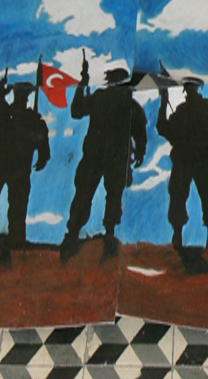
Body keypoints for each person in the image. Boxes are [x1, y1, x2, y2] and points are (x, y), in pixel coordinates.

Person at [59, 60, 147, 262]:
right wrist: (140, 151)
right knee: (105, 195)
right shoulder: (126, 102)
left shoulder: (103, 98)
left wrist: (83, 85)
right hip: (107, 156)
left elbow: (77, 110)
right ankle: (101, 236)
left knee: (91, 194)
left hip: (101, 156)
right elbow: (140, 131)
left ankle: (80, 236)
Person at [0, 80, 50, 261]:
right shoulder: (8, 115)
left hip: (14, 168)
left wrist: (41, 155)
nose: (21, 98)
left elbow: (43, 146)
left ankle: (10, 242)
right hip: (4, 166)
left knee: (14, 207)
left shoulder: (19, 117)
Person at [156, 78, 208, 251]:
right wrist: (164, 100)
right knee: (179, 196)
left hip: (201, 160)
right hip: (186, 161)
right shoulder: (185, 112)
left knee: (207, 198)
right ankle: (178, 235)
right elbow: (163, 128)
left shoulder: (206, 110)